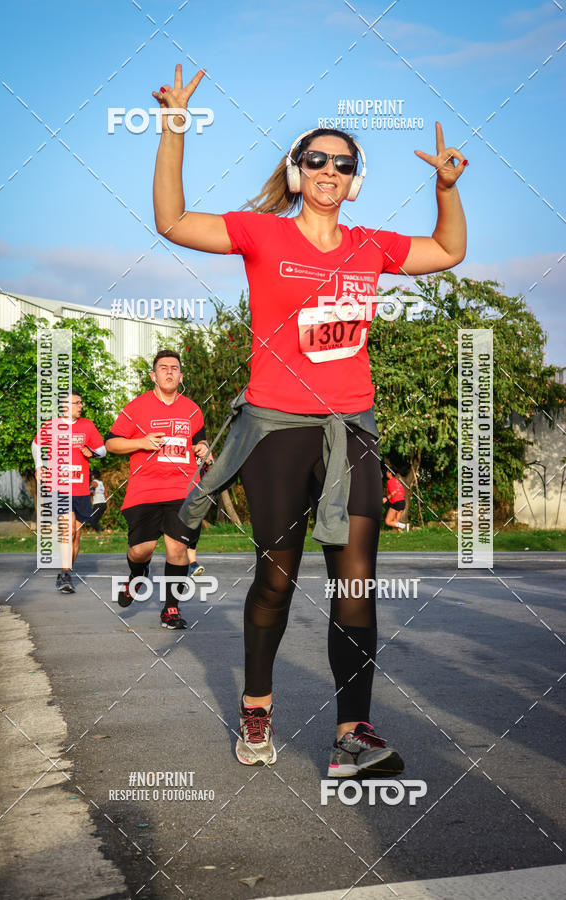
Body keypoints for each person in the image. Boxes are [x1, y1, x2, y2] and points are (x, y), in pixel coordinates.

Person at [152, 65, 467, 772]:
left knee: (356, 582)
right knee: (277, 578)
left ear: (353, 182)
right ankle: (257, 708)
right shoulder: (261, 235)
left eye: (343, 164)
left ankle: (353, 732)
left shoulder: (371, 246)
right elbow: (171, 221)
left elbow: (449, 251)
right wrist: (174, 128)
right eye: (316, 159)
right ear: (296, 173)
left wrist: (445, 191)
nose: (330, 169)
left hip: (351, 430)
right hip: (276, 433)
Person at [105, 350, 212, 627]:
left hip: (183, 489)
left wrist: (204, 449)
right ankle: (137, 575)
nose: (168, 372)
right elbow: (111, 444)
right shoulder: (137, 407)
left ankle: (171, 609)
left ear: (181, 376)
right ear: (153, 375)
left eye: (174, 368)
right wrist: (141, 442)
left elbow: (200, 443)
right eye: (163, 368)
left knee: (177, 548)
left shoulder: (192, 409)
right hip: (145, 490)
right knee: (141, 550)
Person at [32, 390, 106, 593]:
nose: (80, 406)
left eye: (81, 402)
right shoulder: (51, 426)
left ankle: (66, 570)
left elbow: (103, 450)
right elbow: (36, 445)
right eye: (76, 403)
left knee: (76, 535)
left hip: (81, 487)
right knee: (68, 529)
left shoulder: (87, 426)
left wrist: (91, 452)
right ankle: (65, 573)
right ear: (65, 406)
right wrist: (40, 466)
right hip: (59, 487)